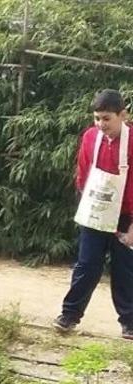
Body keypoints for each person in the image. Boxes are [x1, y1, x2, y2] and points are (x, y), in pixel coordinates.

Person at [55, 89, 133, 339]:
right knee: (87, 265)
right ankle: (69, 315)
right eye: (97, 118)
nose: (101, 124)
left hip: (127, 217)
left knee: (125, 270)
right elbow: (82, 173)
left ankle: (129, 323)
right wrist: (84, 207)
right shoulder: (90, 137)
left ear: (123, 115)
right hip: (95, 212)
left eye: (107, 118)